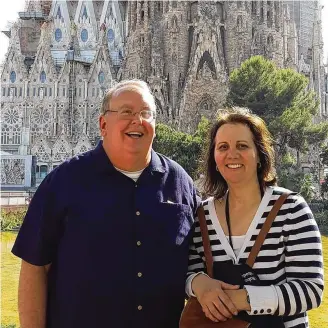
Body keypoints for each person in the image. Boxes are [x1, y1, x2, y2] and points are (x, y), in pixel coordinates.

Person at [12, 79, 200, 328]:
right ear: (103, 124)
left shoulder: (179, 182)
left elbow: (202, 255)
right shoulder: (64, 182)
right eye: (126, 112)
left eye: (146, 113)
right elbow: (35, 266)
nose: (137, 120)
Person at [186, 108, 324, 328]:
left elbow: (310, 291)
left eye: (242, 146)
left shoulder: (291, 209)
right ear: (214, 158)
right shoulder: (203, 215)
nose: (232, 154)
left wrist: (242, 299)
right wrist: (198, 283)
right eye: (223, 147)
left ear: (259, 155)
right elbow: (190, 270)